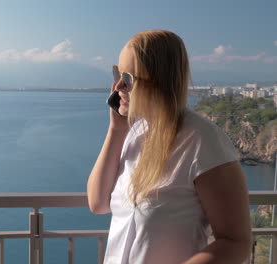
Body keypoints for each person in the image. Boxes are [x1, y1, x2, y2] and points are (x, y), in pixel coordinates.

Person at [87, 30, 252, 264]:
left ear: (159, 80)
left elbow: (236, 242)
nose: (119, 86)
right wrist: (116, 129)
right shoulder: (134, 134)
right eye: (117, 73)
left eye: (129, 77)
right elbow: (98, 203)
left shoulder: (202, 141)